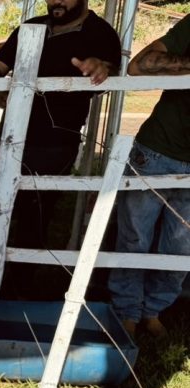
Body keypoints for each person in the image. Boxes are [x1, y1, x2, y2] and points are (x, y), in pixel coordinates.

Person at [0, 0, 121, 256]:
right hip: (9, 138)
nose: (56, 1)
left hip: (55, 144)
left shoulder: (101, 32)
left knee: (35, 219)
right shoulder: (29, 27)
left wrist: (99, 68)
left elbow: (112, 70)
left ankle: (20, 287)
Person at [108, 15, 190, 338]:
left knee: (182, 247)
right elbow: (139, 66)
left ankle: (154, 310)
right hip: (156, 150)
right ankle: (127, 309)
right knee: (134, 237)